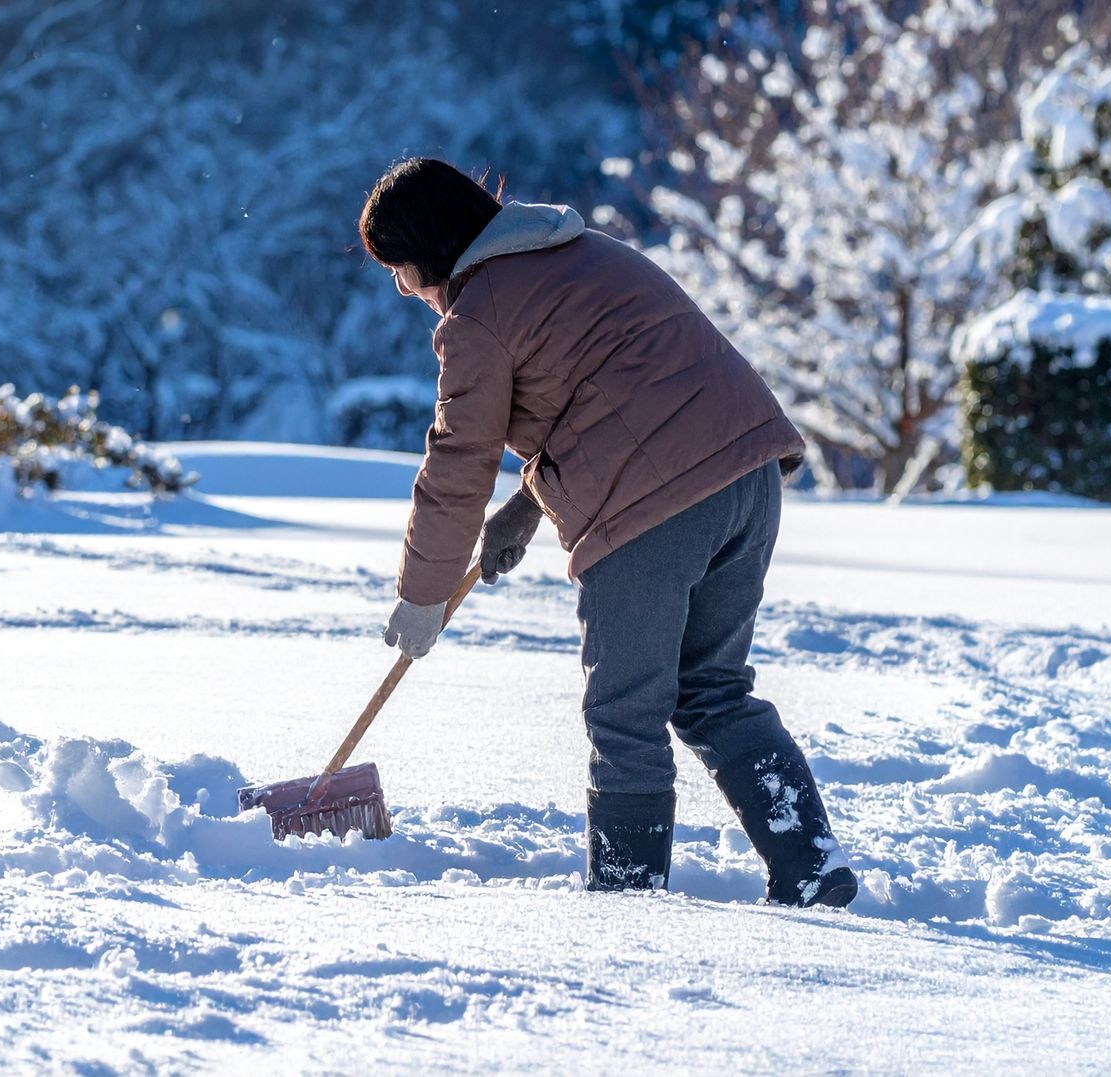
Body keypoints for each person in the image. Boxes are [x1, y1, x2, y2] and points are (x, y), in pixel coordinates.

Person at [360, 156, 857, 907]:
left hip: (655, 507)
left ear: (427, 248)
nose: (401, 287)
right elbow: (610, 384)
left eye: (399, 267)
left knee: (625, 714)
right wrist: (525, 508)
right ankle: (809, 863)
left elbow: (458, 457)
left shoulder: (477, 315)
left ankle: (629, 908)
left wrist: (422, 592)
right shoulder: (579, 251)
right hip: (748, 476)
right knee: (711, 689)